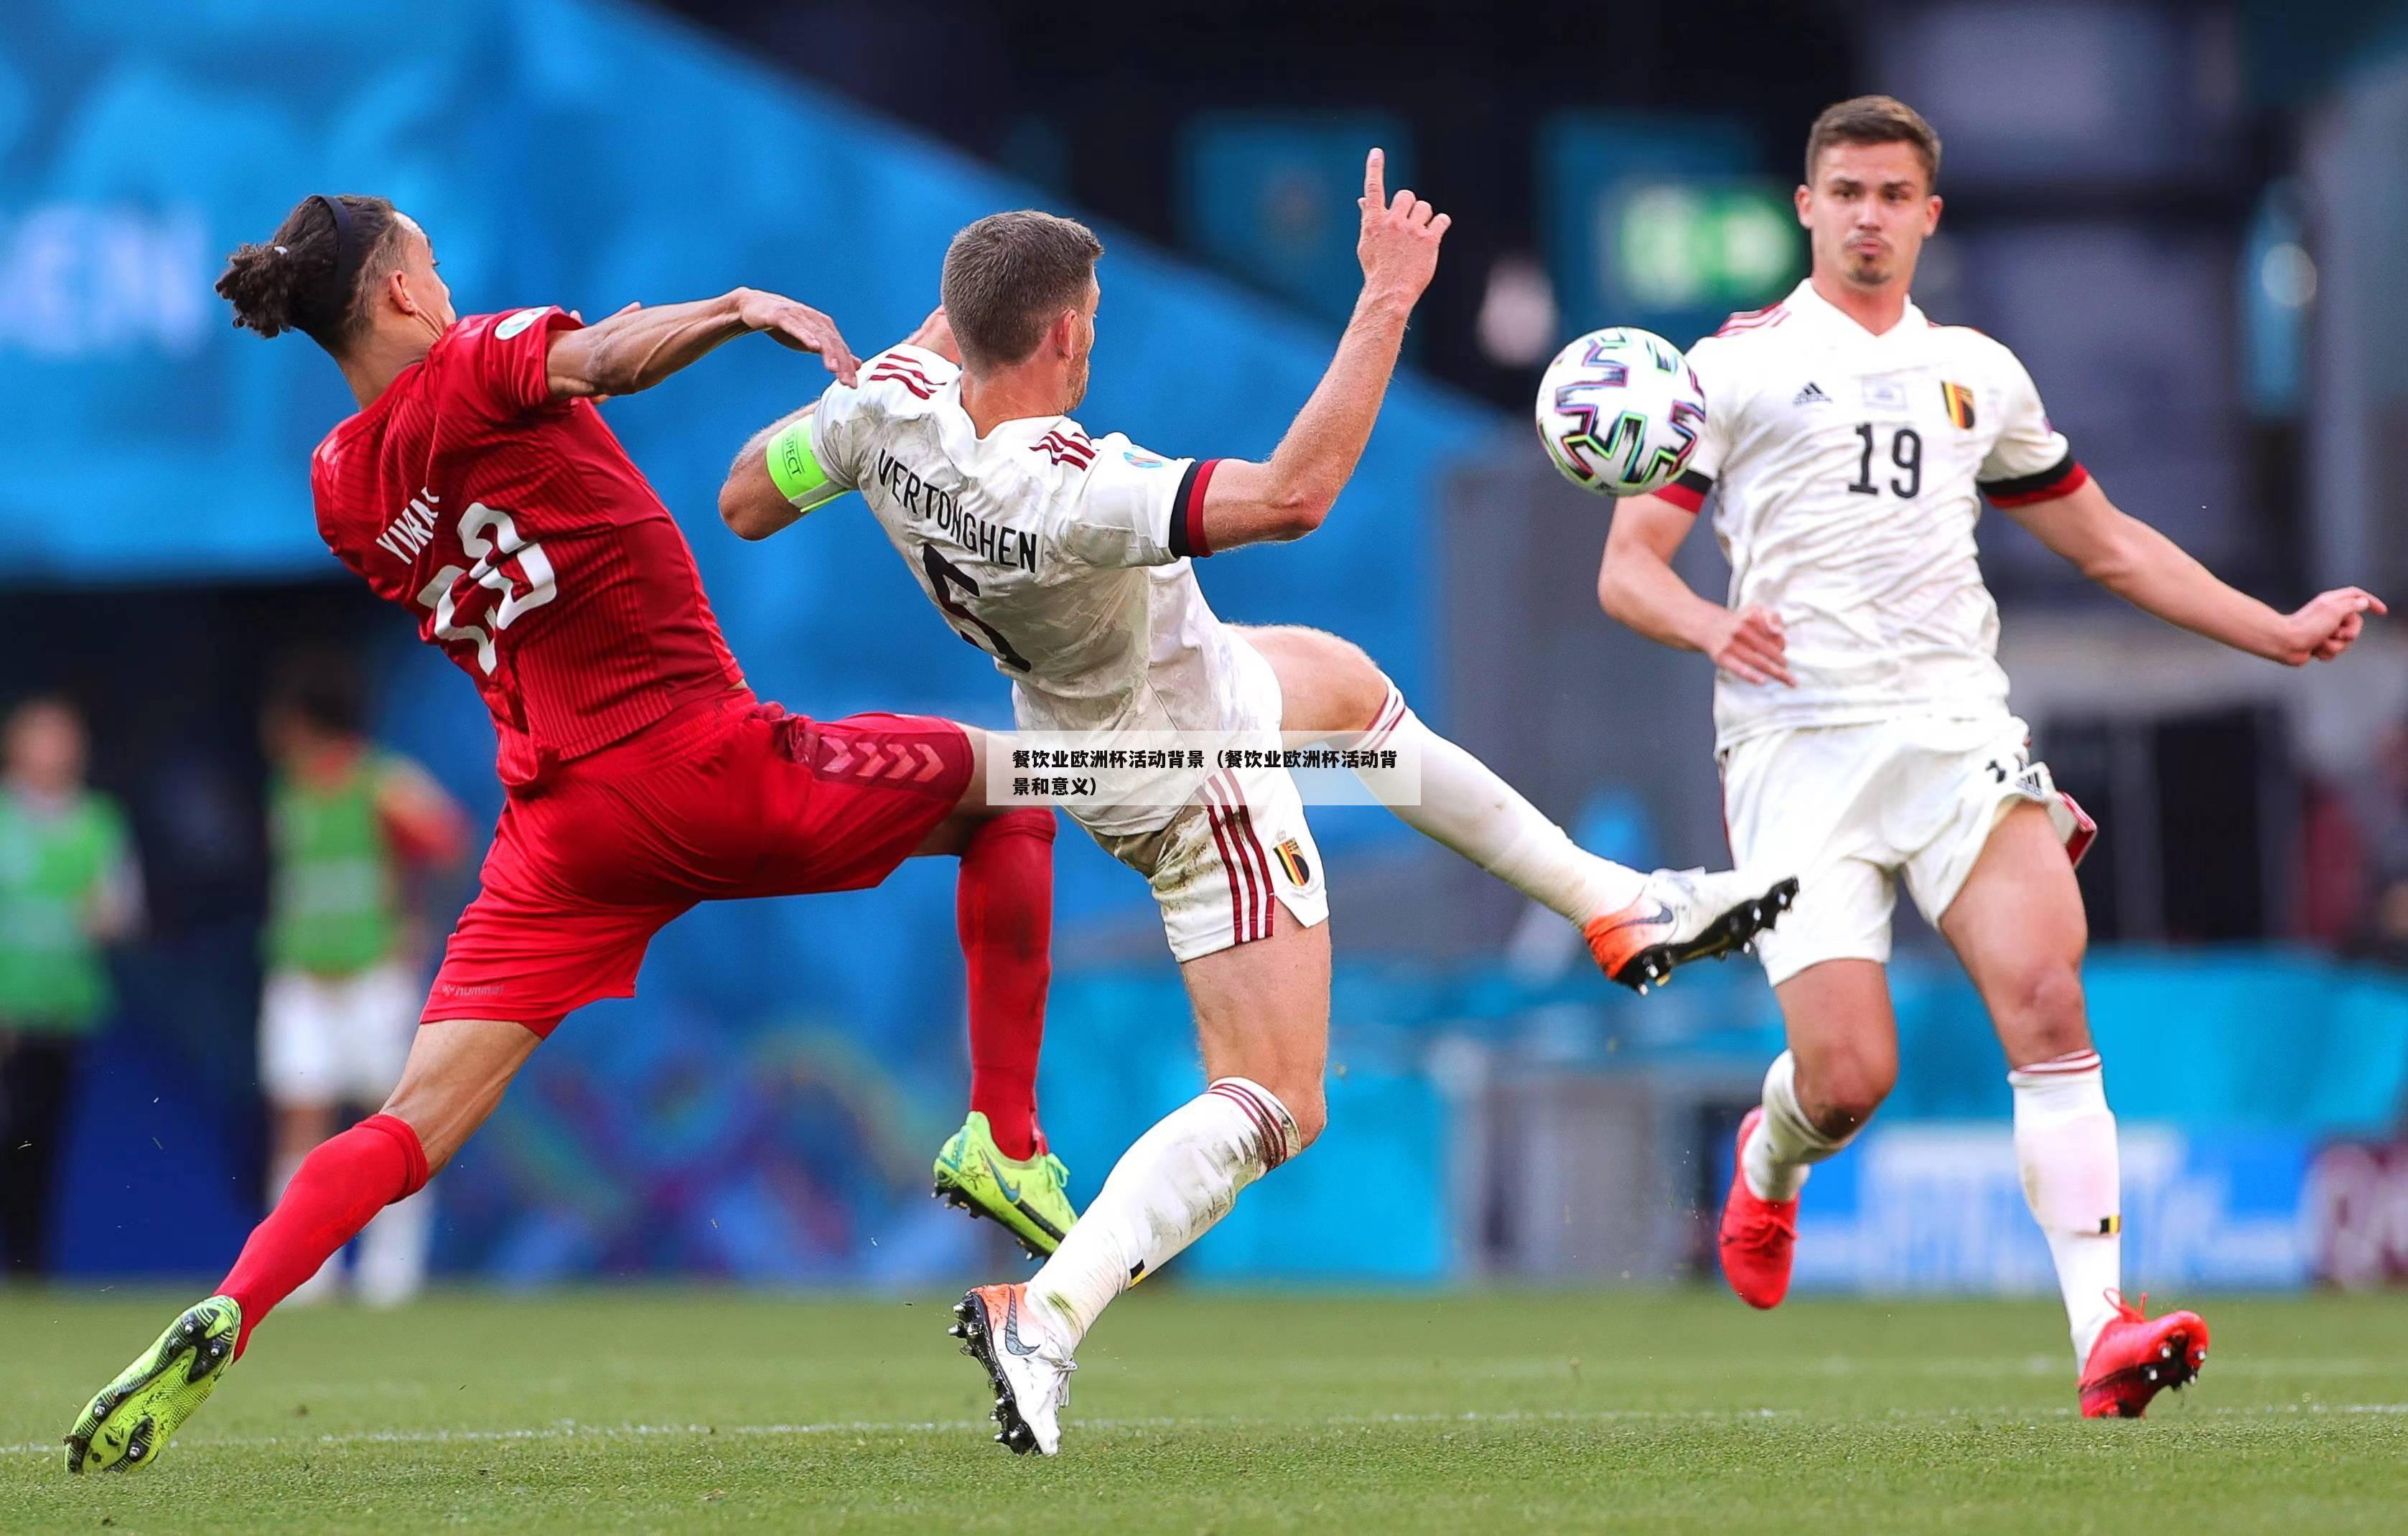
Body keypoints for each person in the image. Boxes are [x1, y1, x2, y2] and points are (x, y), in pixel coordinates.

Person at [718, 150, 1795, 1456]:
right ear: (1063, 336)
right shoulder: (1076, 490)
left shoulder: (882, 408)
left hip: (1091, 711)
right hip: (1190, 770)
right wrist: (1386, 298)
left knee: (1343, 687)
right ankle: (1044, 1316)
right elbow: (1293, 495)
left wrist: (919, 360)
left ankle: (1612, 904)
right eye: (1090, 328)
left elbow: (742, 500)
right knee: (1277, 1097)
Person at [64, 192, 1065, 1474]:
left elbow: (505, 440)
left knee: (409, 1122)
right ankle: (1007, 1141)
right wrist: (737, 306)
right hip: (693, 762)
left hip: (557, 835)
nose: (445, 278)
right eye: (429, 259)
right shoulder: (477, 364)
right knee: (1017, 790)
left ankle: (231, 1307)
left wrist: (931, 336)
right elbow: (610, 358)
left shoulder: (337, 490)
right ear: (398, 296)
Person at [1595, 96, 2386, 1418]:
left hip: (1956, 731)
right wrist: (1707, 623)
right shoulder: (1720, 370)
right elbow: (1627, 572)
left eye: (1889, 196)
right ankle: (1772, 1154)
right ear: (1804, 207)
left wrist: (2275, 630)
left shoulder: (1978, 371)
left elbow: (2110, 545)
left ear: (1926, 216)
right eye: (1841, 192)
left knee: (2046, 996)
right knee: (1848, 1080)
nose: (1865, 217)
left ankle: (2099, 1334)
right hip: (1793, 752)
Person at [257, 655, 471, 1308]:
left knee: (392, 1119)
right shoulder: (287, 791)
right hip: (301, 973)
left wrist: (420, 924)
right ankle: (302, 1273)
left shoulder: (382, 782)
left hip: (374, 973)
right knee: (300, 1116)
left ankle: (389, 1272)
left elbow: (450, 843)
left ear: (301, 720)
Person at [0, 696, 141, 1279]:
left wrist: (104, 915)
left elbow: (124, 911)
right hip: (8, 1006)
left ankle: (30, 1266)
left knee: (43, 1140)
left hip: (66, 1007)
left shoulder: (98, 821)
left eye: (63, 738)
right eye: (42, 737)